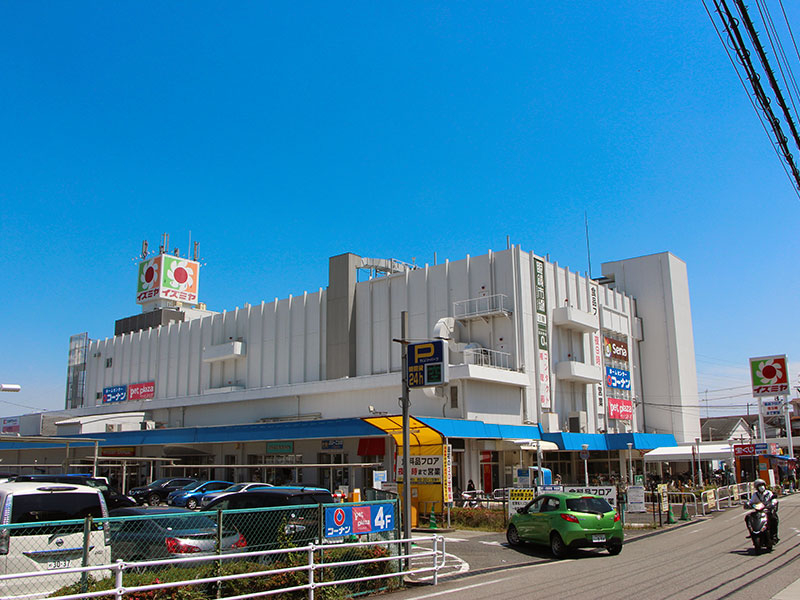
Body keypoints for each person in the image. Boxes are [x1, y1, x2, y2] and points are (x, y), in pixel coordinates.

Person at [747, 478, 778, 542]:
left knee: (774, 518)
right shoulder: (755, 495)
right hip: (759, 511)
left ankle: (774, 535)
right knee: (748, 517)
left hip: (768, 510)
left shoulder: (768, 493)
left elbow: (773, 499)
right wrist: (748, 504)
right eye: (759, 485)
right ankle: (752, 532)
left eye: (762, 485)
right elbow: (751, 501)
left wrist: (772, 503)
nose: (761, 487)